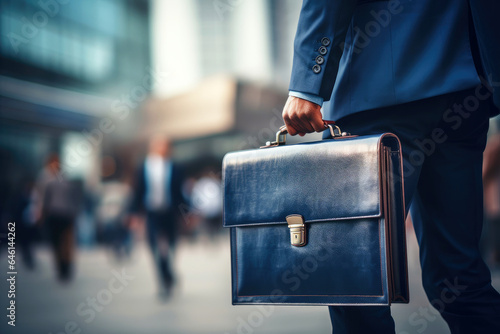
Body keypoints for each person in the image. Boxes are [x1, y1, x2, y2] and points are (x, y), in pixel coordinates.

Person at [282, 0, 500, 333]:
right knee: (458, 277)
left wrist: (306, 84)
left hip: (378, 94)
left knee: (352, 280)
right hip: (464, 90)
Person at [131, 136, 185, 298]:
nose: (163, 149)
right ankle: (164, 280)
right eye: (160, 146)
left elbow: (180, 193)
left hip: (170, 212)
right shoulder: (143, 167)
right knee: (155, 247)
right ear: (153, 148)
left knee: (171, 246)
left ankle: (168, 270)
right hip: (152, 213)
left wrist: (186, 213)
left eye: (166, 146)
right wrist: (133, 214)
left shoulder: (175, 166)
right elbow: (137, 191)